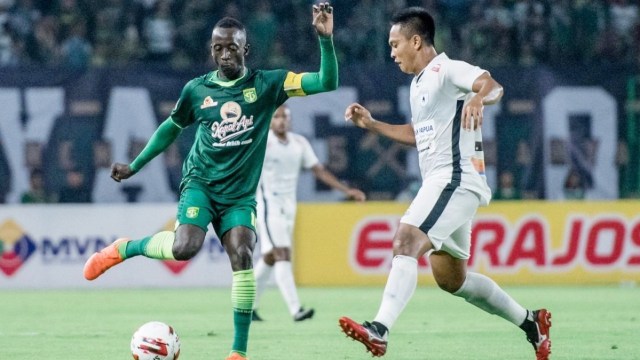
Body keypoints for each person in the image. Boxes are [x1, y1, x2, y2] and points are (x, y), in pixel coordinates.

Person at [83, 3, 337, 360]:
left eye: (232, 47)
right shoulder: (196, 90)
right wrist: (136, 165)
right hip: (201, 183)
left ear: (245, 49)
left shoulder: (268, 84)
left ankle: (238, 352)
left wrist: (325, 40)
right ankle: (124, 248)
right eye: (218, 48)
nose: (224, 54)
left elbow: (328, 82)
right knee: (185, 247)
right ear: (211, 50)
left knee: (244, 255)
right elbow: (170, 128)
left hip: (240, 196)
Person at [337, 7, 551, 360]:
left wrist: (479, 98)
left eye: (395, 44)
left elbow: (492, 85)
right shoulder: (418, 84)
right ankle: (532, 323)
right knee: (452, 280)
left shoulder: (445, 69)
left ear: (416, 40)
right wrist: (373, 124)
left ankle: (380, 329)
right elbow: (418, 135)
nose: (391, 53)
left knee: (405, 239)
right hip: (448, 185)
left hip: (454, 179)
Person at [252, 104, 366, 323]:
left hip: (289, 207)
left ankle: (246, 307)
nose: (281, 121)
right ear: (270, 120)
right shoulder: (262, 142)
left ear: (290, 120)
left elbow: (318, 170)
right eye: (276, 117)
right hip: (268, 206)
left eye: (285, 116)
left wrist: (346, 190)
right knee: (283, 254)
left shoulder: (299, 143)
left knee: (269, 257)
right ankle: (296, 310)